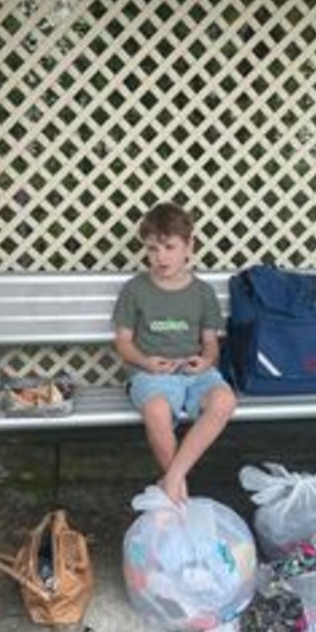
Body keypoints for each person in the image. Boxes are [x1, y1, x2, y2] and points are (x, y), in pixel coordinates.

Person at [113, 201, 236, 505]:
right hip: (152, 374)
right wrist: (146, 362)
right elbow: (123, 343)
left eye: (169, 247)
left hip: (195, 374)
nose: (161, 257)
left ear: (189, 245)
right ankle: (180, 493)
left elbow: (210, 344)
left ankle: (172, 479)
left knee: (225, 400)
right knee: (156, 410)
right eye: (153, 249)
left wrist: (206, 360)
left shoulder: (202, 293)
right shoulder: (135, 290)